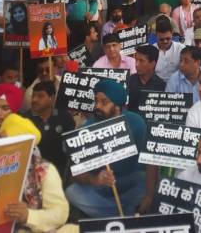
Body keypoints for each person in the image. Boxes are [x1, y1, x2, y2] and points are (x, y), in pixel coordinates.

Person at [65, 80, 156, 217]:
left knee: (154, 184)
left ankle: (116, 214)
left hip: (132, 182)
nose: (98, 106)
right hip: (103, 188)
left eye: (104, 102)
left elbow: (151, 160)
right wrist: (94, 179)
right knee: (72, 192)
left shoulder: (136, 122)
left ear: (118, 105)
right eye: (96, 101)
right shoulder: (86, 129)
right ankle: (121, 215)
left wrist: (149, 196)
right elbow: (77, 173)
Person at [25, 80, 75, 176]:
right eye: (33, 96)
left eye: (40, 96)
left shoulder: (65, 118)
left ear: (51, 98)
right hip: (33, 172)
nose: (34, 99)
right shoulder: (25, 119)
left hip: (59, 171)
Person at [127, 45, 166, 113]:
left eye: (141, 61)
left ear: (153, 64)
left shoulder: (161, 86)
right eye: (136, 60)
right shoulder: (128, 81)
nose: (136, 64)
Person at [153, 17, 185, 81]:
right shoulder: (151, 49)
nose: (165, 41)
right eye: (161, 39)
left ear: (172, 33)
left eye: (168, 38)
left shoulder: (181, 48)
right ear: (156, 35)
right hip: (156, 84)